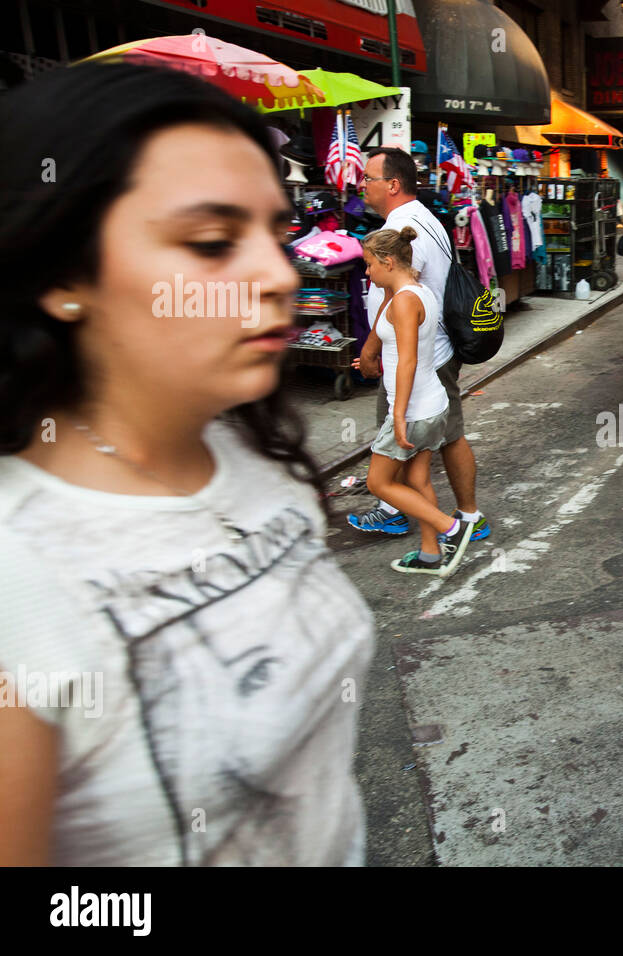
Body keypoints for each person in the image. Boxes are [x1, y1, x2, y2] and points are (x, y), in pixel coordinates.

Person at [0, 63, 373, 865]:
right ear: (64, 276)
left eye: (274, 236)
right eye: (210, 243)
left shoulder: (247, 447)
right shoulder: (20, 579)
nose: (281, 276)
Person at [349, 147, 490, 544]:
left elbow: (400, 297)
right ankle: (425, 522)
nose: (362, 186)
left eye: (368, 178)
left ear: (392, 184)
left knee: (416, 436)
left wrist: (373, 347)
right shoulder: (425, 220)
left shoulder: (401, 231)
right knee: (428, 449)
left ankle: (460, 520)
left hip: (422, 358)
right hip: (434, 351)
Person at [355, 227, 476, 577]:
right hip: (431, 404)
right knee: (417, 479)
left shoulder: (405, 300)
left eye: (369, 265)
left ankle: (451, 529)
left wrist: (397, 414)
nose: (367, 273)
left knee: (379, 483)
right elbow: (398, 348)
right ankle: (429, 554)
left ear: (388, 262)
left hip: (414, 409)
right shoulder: (418, 292)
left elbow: (407, 360)